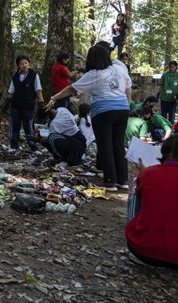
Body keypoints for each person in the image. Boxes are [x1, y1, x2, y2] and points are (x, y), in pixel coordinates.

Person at [47, 45, 132, 191]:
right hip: (122, 109)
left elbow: (71, 89)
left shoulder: (93, 74)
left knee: (105, 145)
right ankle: (123, 180)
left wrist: (54, 97)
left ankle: (110, 181)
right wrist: (127, 106)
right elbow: (128, 88)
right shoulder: (120, 69)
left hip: (103, 112)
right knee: (118, 144)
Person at [125, 136, 178, 270]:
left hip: (142, 252)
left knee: (138, 186)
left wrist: (143, 172)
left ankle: (135, 226)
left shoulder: (147, 173)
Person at [8, 55, 45, 152]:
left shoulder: (34, 75)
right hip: (15, 106)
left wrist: (41, 102)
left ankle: (33, 147)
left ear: (29, 64)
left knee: (29, 127)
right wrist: (7, 101)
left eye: (26, 63)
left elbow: (38, 89)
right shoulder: (15, 77)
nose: (24, 65)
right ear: (18, 65)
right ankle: (13, 146)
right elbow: (11, 91)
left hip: (28, 106)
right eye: (21, 64)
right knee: (14, 126)